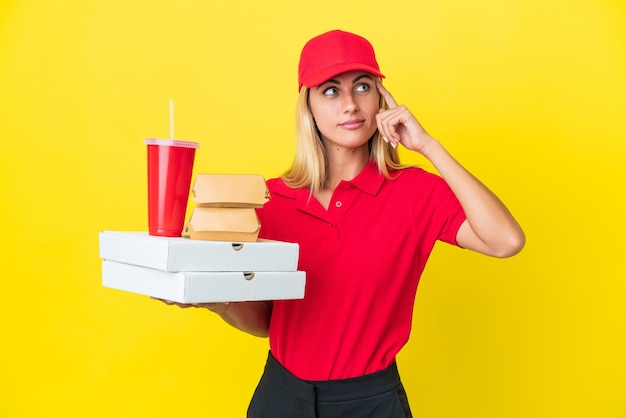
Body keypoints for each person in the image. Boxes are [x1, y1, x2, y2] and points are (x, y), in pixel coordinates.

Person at [162, 29, 525, 417]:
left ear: (382, 99)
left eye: (362, 87)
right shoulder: (268, 200)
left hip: (370, 402)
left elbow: (506, 240)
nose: (350, 104)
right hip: (281, 397)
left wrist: (427, 146)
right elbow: (268, 323)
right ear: (309, 107)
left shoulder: (415, 193)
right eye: (331, 91)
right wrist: (218, 301)